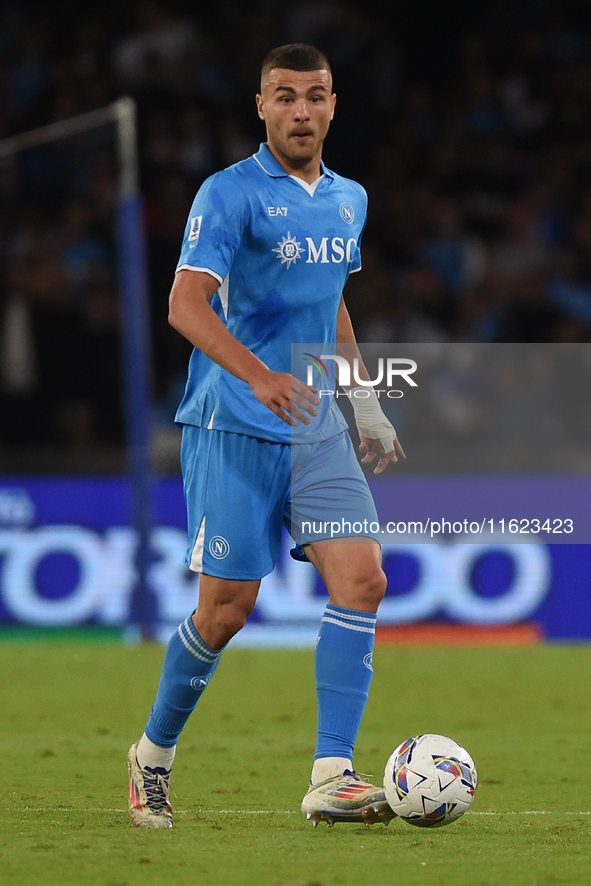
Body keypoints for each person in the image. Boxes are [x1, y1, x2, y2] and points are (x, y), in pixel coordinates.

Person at [127, 43, 405, 829]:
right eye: (284, 96)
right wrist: (258, 375)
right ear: (261, 107)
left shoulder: (348, 198)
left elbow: (330, 305)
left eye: (314, 96)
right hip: (233, 425)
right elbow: (185, 306)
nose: (301, 111)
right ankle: (152, 755)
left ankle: (331, 775)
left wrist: (368, 405)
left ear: (333, 104)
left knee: (363, 580)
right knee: (225, 611)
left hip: (314, 427)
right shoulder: (228, 195)